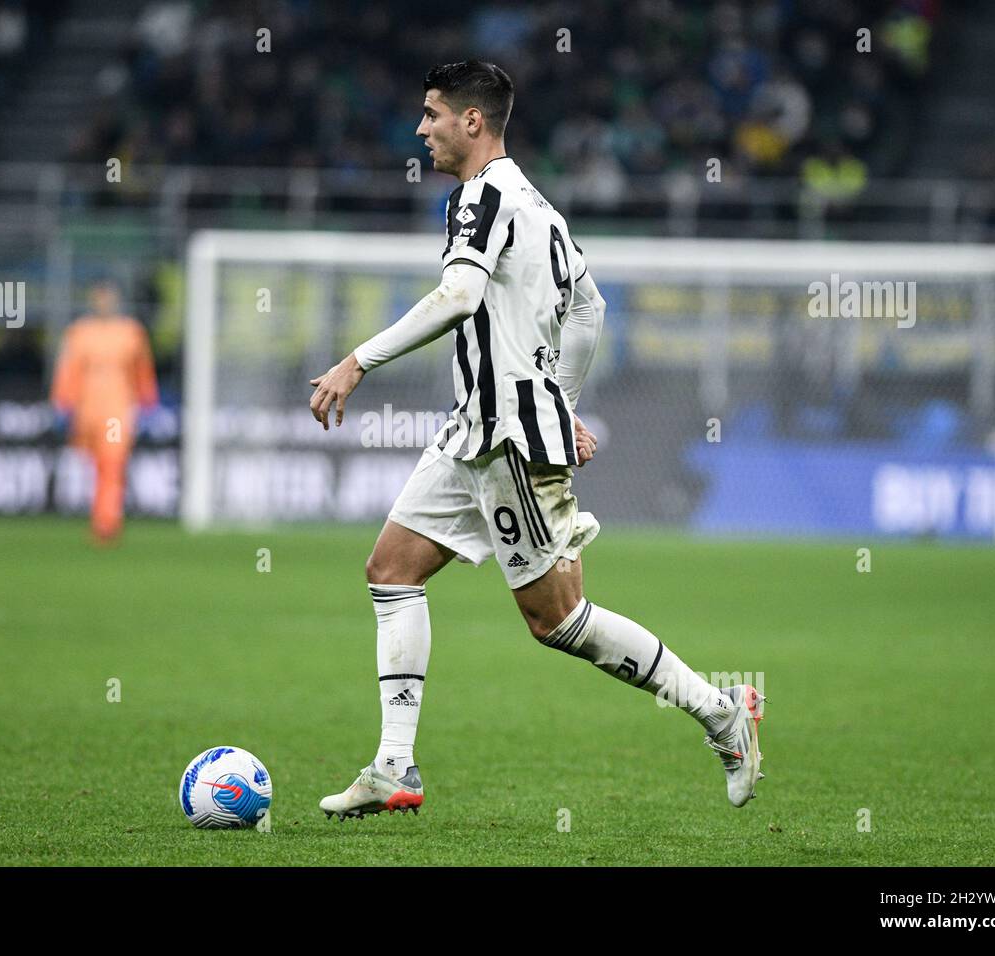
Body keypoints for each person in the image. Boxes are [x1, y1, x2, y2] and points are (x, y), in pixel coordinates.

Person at [308, 61, 766, 819]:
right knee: (391, 570)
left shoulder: (482, 197)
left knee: (558, 619)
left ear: (472, 122)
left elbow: (459, 298)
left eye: (432, 115)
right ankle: (393, 767)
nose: (421, 129)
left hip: (509, 439)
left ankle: (720, 711)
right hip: (474, 431)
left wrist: (358, 360)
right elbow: (589, 309)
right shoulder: (536, 203)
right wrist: (561, 399)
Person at [50, 280, 158, 544]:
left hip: (116, 410)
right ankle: (102, 514)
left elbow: (141, 369)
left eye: (107, 298)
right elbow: (68, 369)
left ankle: (106, 521)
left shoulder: (131, 332)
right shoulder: (79, 332)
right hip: (87, 410)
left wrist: (148, 401)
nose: (103, 303)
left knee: (112, 463)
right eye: (99, 298)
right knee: (95, 464)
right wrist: (62, 402)